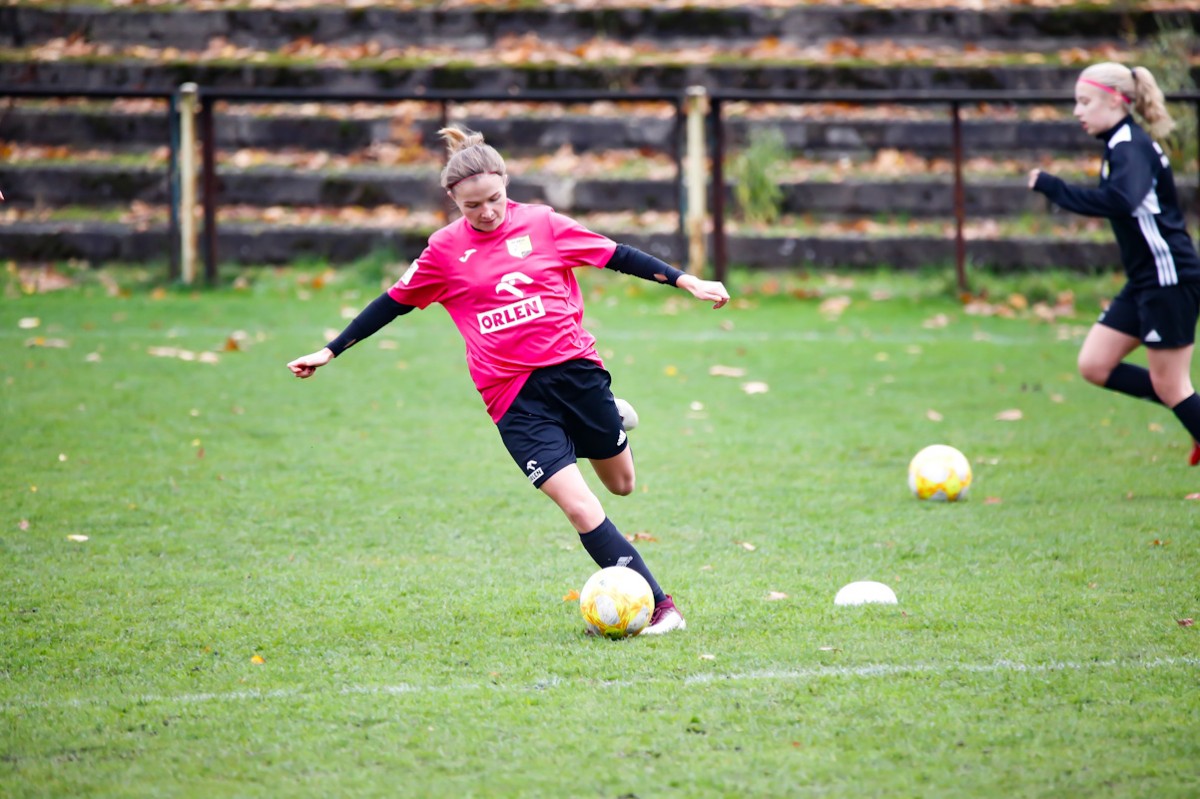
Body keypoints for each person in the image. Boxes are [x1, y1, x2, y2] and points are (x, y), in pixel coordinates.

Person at [287, 125, 730, 634]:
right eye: (472, 205)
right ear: (454, 201)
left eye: (494, 199)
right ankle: (662, 606)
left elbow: (617, 255)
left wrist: (687, 281)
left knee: (621, 485)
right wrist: (330, 350)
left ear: (506, 184)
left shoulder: (543, 223)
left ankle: (613, 415)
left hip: (575, 372)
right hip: (512, 397)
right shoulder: (443, 251)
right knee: (580, 507)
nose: (487, 212)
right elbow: (392, 303)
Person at [1029, 62, 1200, 467]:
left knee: (1171, 385)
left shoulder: (1130, 147)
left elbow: (1122, 201)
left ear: (1115, 101)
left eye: (1085, 102)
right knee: (1095, 364)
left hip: (1169, 278)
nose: (1078, 111)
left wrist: (1055, 188)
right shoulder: (1119, 144)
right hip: (1145, 280)